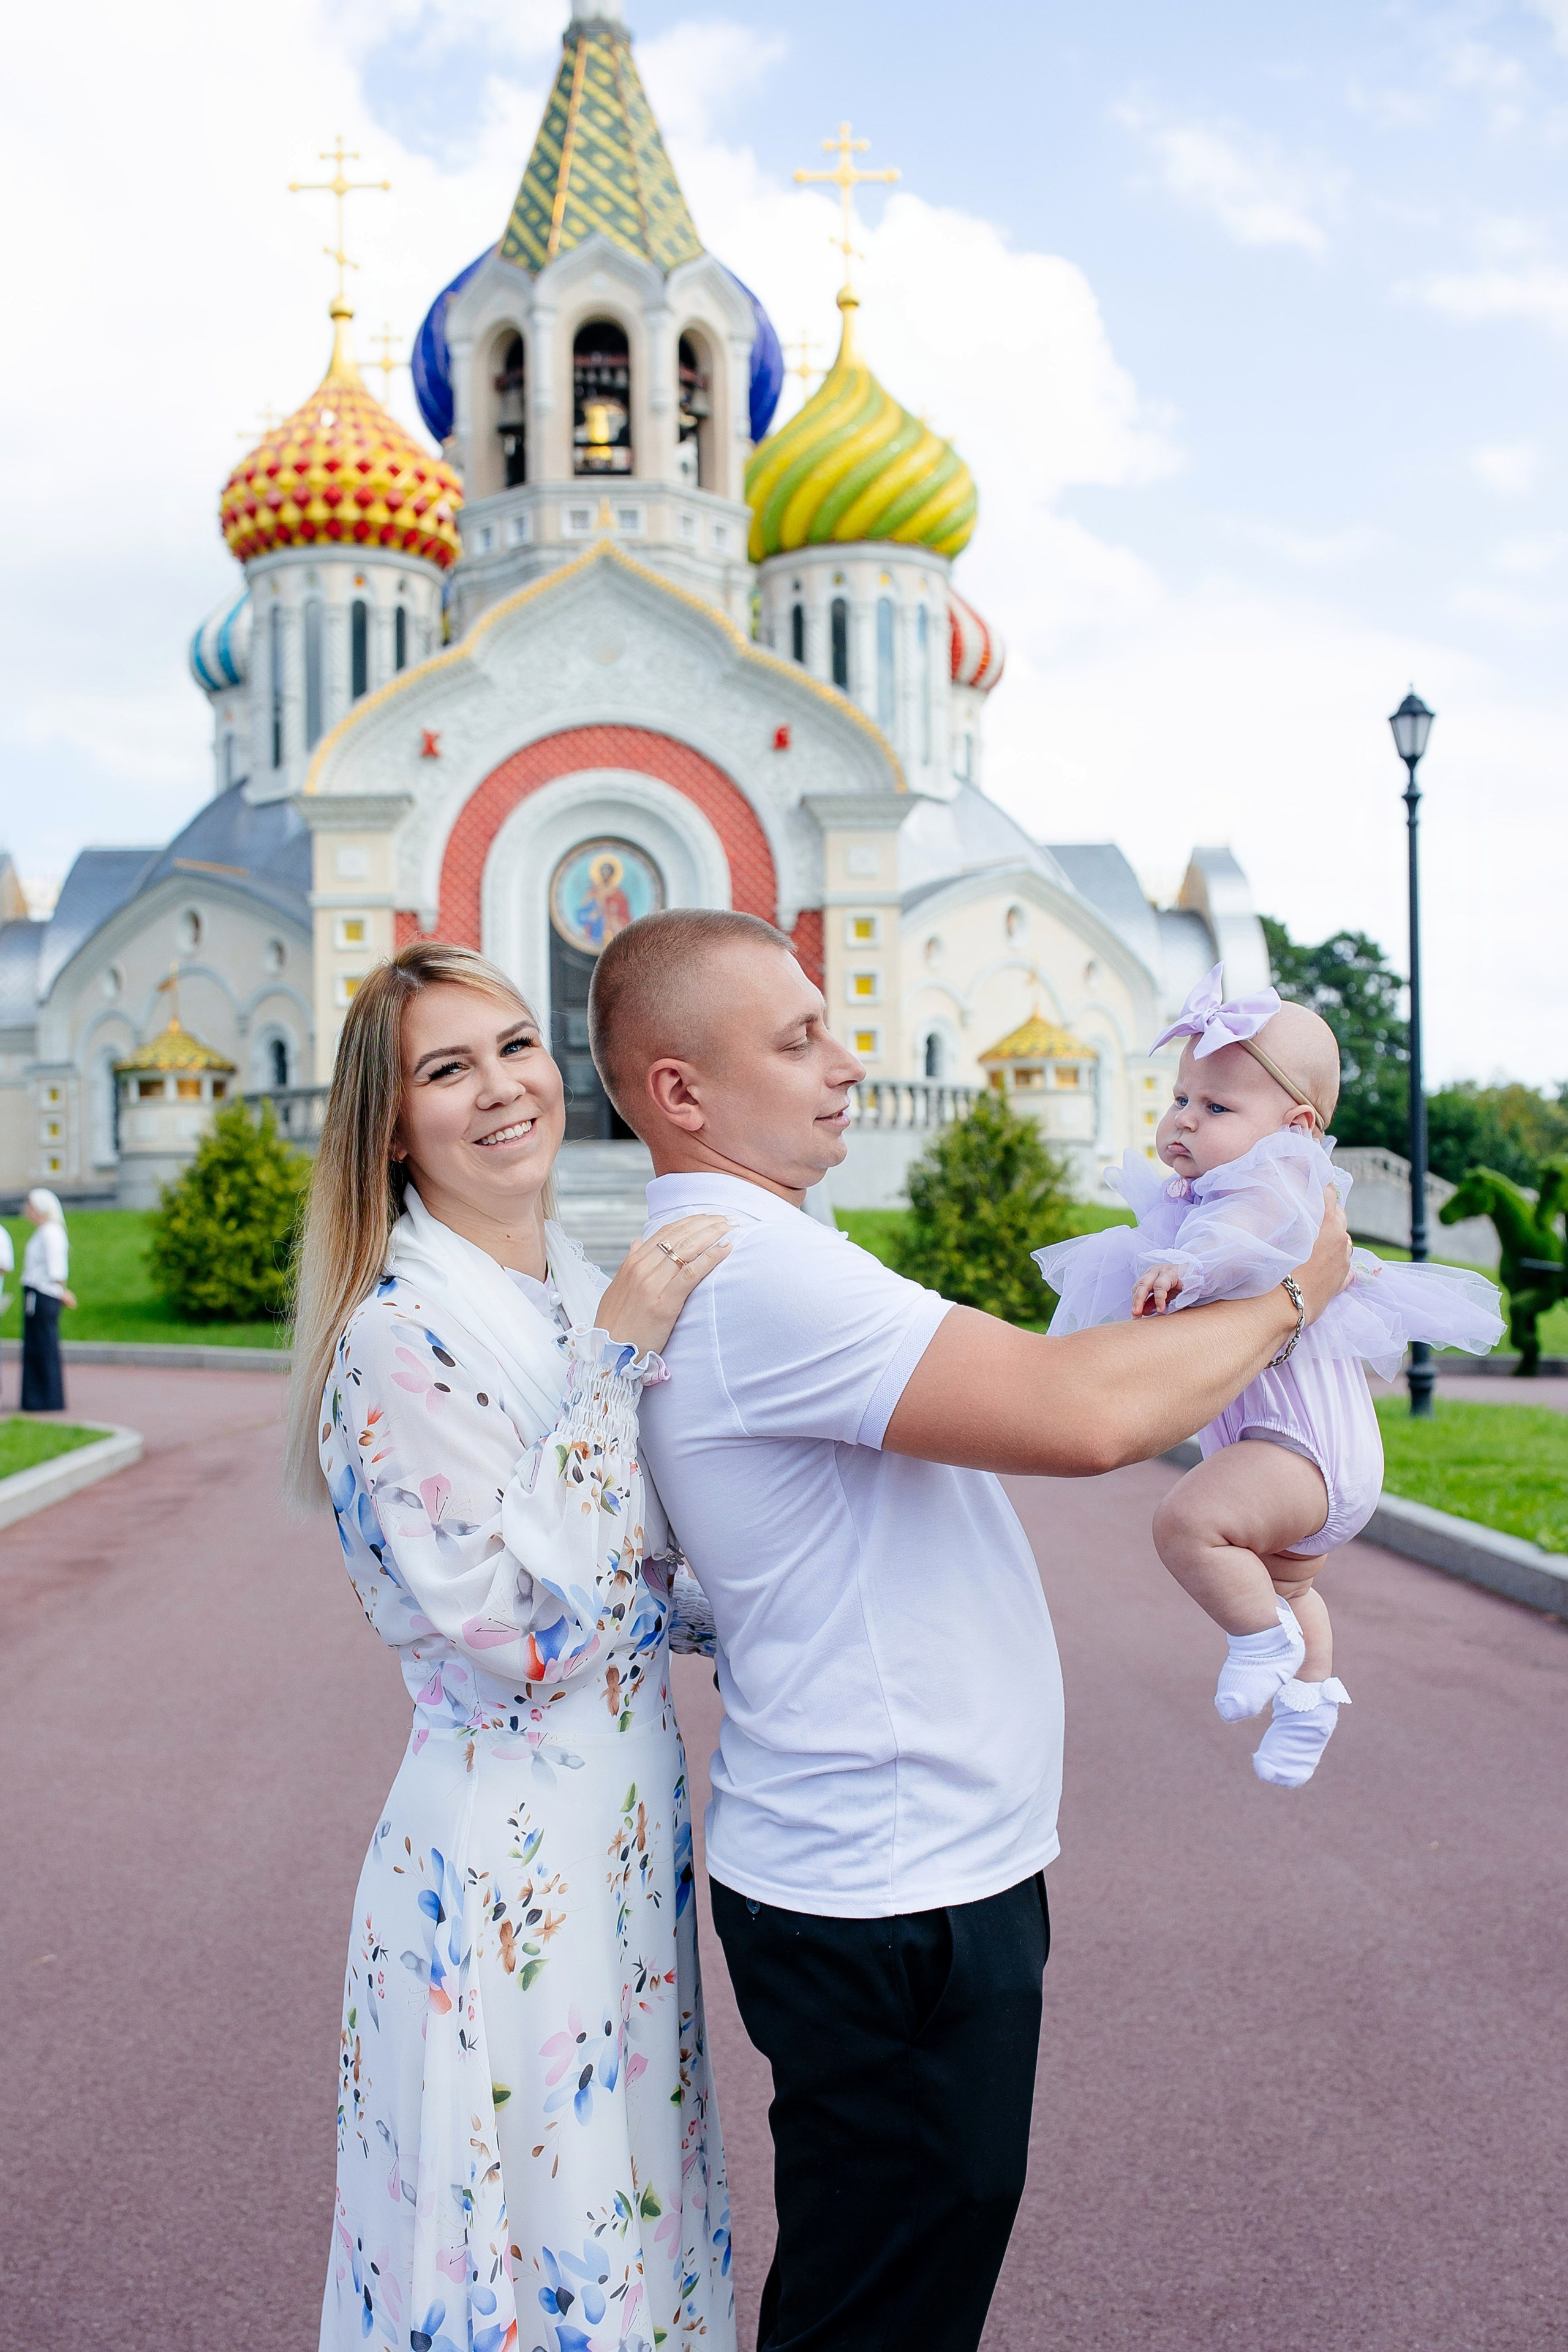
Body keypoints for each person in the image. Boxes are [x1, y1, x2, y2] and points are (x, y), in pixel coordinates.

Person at [584, 908, 1355, 2352]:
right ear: (679, 1091)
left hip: (901, 1864)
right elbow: (1080, 1415)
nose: (846, 1060)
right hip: (888, 1882)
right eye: (798, 1039)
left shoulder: (760, 1249)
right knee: (882, 2309)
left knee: (893, 2281)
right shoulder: (760, 1272)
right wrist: (1300, 1289)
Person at [284, 939, 737, 2352]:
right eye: (445, 1069)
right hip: (505, 1866)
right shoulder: (398, 1338)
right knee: (533, 2246)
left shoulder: (573, 1290)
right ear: (391, 1128)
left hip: (618, 1841)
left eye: (515, 1046)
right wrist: (616, 1360)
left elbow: (639, 1582)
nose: (500, 1088)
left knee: (625, 2215)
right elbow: (520, 1632)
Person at [1036, 967, 1503, 1785]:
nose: (1185, 1119)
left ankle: (1259, 1644)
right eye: (1181, 1098)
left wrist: (1187, 1265)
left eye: (1217, 1108)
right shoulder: (1204, 1199)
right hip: (1296, 1460)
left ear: (1296, 1127)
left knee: (1186, 1525)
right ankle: (1308, 1701)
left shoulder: (1278, 1181)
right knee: (1287, 1586)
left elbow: (1241, 1237)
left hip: (1300, 1453)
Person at [20, 1188, 75, 1412]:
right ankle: (37, 1398)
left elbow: (56, 1268)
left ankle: (46, 1399)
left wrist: (62, 1291)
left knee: (44, 1346)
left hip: (43, 1294)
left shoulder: (51, 1232)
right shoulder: (44, 1231)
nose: (27, 1211)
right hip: (37, 1293)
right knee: (37, 1346)